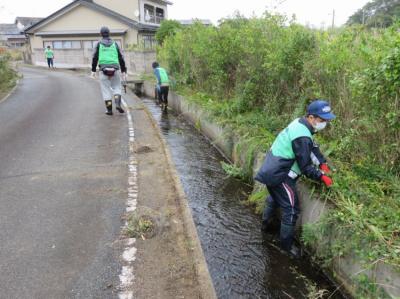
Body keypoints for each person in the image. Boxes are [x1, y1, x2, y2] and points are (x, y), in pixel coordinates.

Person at [255, 99, 335, 258]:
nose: (324, 123)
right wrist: (322, 177)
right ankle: (286, 247)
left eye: (326, 120)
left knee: (274, 197)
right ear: (311, 117)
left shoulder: (300, 123)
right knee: (291, 209)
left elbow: (311, 146)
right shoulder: (302, 135)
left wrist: (322, 163)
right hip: (281, 175)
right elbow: (305, 167)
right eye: (322, 119)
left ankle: (266, 226)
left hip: (272, 168)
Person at [91, 26, 127, 115]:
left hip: (103, 70)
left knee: (106, 90)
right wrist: (123, 70)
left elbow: (94, 57)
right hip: (115, 69)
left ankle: (109, 110)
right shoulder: (115, 44)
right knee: (117, 87)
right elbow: (121, 58)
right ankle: (118, 104)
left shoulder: (98, 44)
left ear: (101, 34)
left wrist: (93, 70)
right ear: (109, 33)